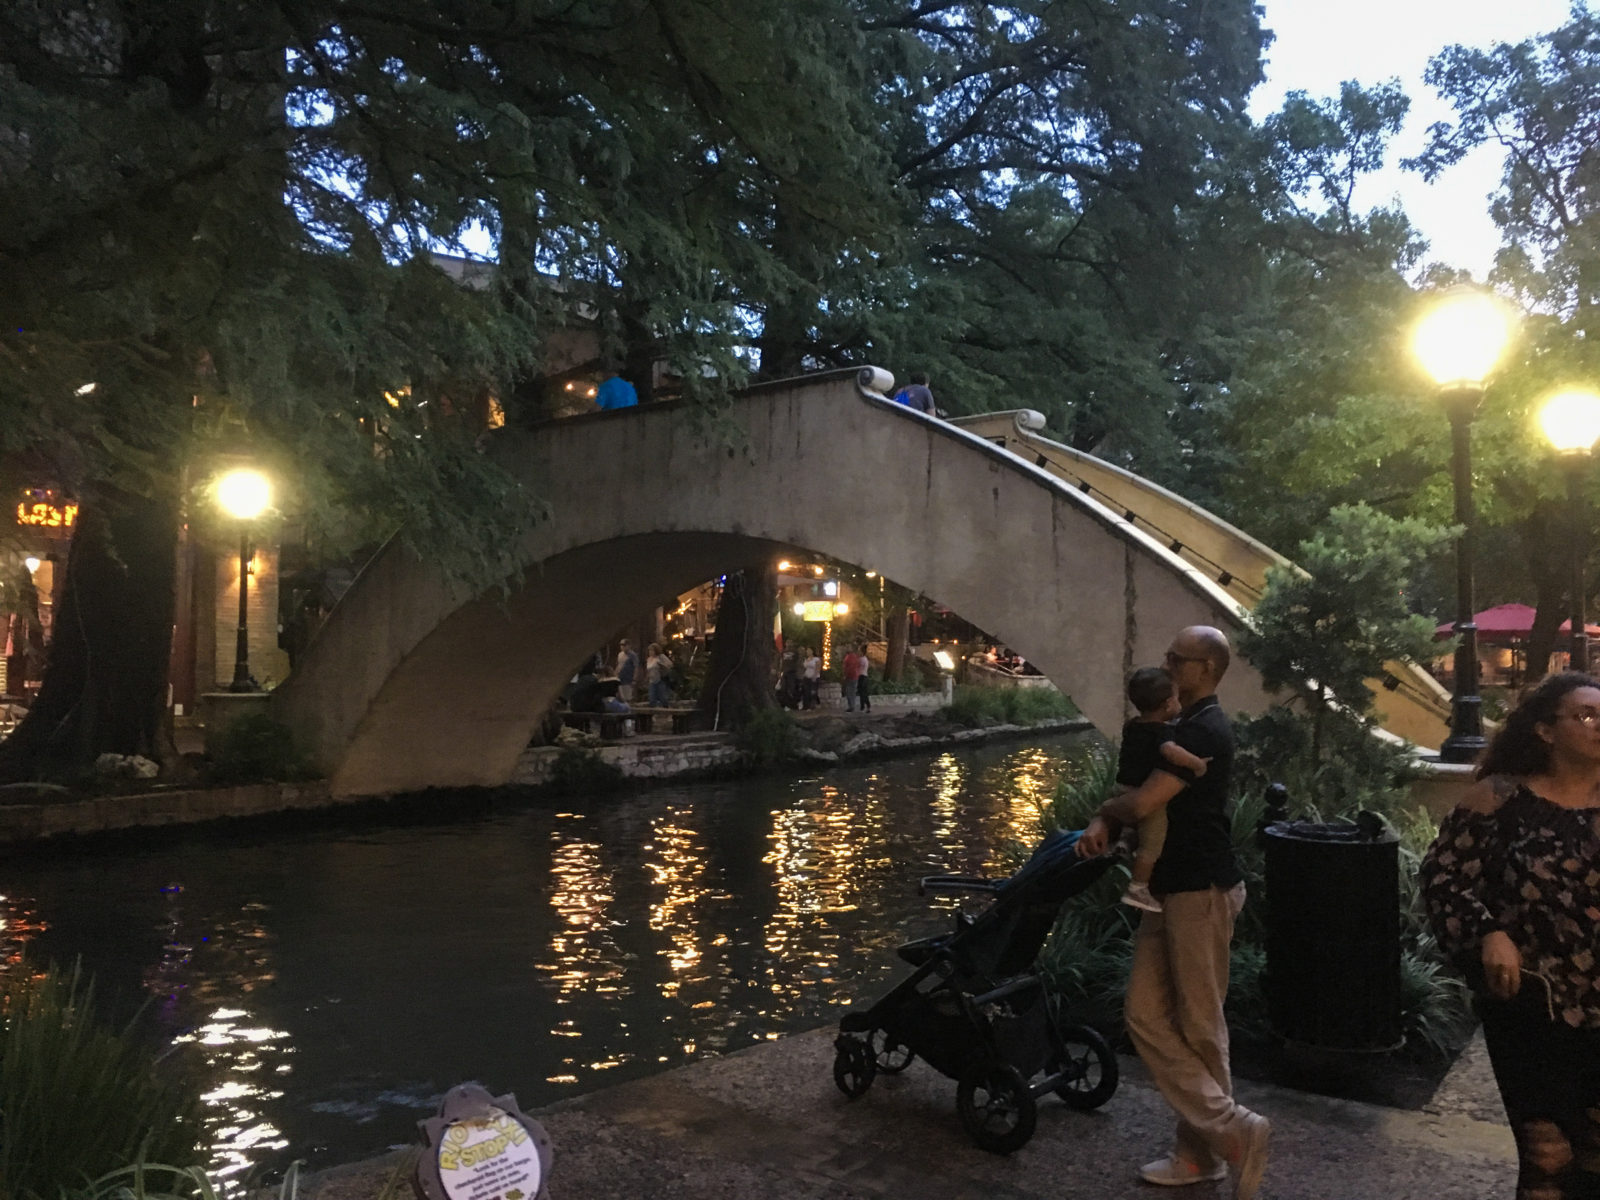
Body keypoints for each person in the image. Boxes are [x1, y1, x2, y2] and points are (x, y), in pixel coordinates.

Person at [1076, 626, 1269, 1200]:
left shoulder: (1206, 730)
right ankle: (1224, 1133)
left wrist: (1108, 813)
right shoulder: (1179, 724)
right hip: (1170, 889)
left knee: (1200, 1026)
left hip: (1201, 890)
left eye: (1176, 659)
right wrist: (1106, 819)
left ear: (1206, 667)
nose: (1166, 664)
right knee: (1145, 1014)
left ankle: (1204, 1152)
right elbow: (1131, 795)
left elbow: (1141, 802)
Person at [1421, 672, 1600, 1200]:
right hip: (1531, 1003)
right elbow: (1443, 876)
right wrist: (1487, 932)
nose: (1599, 726)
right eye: (1585, 715)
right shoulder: (1500, 798)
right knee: (1547, 1153)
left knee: (1594, 1154)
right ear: (1546, 730)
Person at [1117, 666, 1211, 913]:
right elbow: (1170, 752)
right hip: (1142, 795)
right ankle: (1137, 888)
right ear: (1169, 703)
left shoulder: (1132, 725)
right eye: (1177, 698)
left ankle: (1125, 840)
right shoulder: (1163, 732)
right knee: (1152, 843)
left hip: (1121, 787)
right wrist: (1197, 764)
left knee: (1131, 826)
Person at [646, 643, 674, 707]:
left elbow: (670, 665)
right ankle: (652, 712)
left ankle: (666, 710)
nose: (650, 652)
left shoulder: (661, 657)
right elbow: (648, 669)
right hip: (652, 680)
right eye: (649, 650)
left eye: (652, 650)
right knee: (652, 697)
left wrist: (662, 665)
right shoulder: (649, 659)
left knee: (663, 697)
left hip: (660, 679)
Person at [841, 645, 861, 712]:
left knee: (849, 691)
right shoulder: (855, 657)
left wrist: (845, 675)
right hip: (855, 676)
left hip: (850, 676)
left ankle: (851, 706)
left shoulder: (849, 657)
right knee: (852, 691)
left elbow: (848, 668)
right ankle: (852, 705)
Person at [855, 643, 872, 712]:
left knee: (862, 692)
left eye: (859, 651)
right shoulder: (865, 659)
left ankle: (865, 706)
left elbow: (857, 667)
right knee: (863, 692)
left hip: (861, 676)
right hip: (865, 676)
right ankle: (864, 706)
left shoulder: (861, 659)